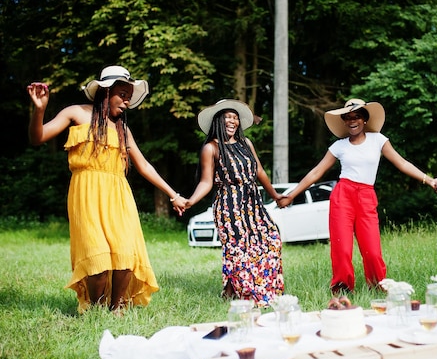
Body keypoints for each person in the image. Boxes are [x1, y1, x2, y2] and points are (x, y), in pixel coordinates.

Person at [27, 65, 187, 313]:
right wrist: (39, 111)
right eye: (122, 94)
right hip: (86, 191)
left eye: (129, 97)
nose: (126, 102)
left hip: (118, 192)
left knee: (124, 252)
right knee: (97, 257)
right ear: (106, 91)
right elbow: (38, 137)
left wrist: (173, 195)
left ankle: (117, 308)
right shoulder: (76, 113)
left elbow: (144, 166)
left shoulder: (122, 128)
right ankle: (96, 308)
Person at [277, 98, 437, 294]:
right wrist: (291, 195)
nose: (352, 120)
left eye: (356, 116)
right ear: (344, 122)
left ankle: (378, 286)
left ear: (364, 119)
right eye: (348, 117)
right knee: (342, 249)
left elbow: (402, 163)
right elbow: (315, 172)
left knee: (372, 250)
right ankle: (343, 288)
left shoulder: (378, 140)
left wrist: (430, 180)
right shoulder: (339, 146)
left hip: (366, 196)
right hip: (343, 196)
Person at [185, 99, 284, 307]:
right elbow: (206, 181)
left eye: (235, 117)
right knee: (239, 250)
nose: (232, 121)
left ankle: (239, 290)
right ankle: (245, 294)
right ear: (218, 121)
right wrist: (190, 201)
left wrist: (275, 195)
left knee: (272, 237)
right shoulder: (211, 148)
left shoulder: (246, 144)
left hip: (253, 203)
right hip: (229, 205)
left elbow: (259, 171)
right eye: (228, 117)